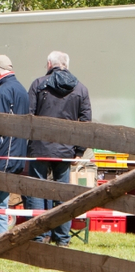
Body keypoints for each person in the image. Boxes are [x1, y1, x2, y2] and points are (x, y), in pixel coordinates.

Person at [26, 51, 92, 246]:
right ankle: (62, 237)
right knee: (62, 193)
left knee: (37, 190)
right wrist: (79, 151)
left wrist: (28, 145)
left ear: (49, 64)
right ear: (67, 64)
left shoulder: (38, 84)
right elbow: (86, 123)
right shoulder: (81, 88)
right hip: (66, 150)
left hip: (39, 148)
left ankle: (38, 236)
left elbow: (28, 116)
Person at [0, 54, 29, 234]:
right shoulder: (21, 90)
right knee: (1, 204)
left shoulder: (1, 92)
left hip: (0, 157)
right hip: (17, 156)